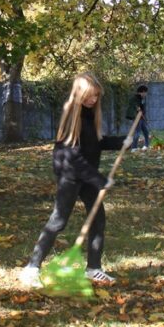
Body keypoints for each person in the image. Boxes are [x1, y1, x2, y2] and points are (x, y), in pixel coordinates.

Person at [19, 73, 128, 287]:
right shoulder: (72, 116)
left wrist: (122, 141)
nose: (93, 100)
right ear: (79, 94)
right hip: (70, 174)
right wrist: (99, 179)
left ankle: (94, 269)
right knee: (58, 220)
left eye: (96, 96)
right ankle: (31, 268)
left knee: (98, 220)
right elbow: (73, 157)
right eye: (89, 96)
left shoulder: (89, 114)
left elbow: (95, 142)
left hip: (87, 174)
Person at [126, 85, 150, 150]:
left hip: (142, 118)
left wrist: (145, 118)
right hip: (136, 118)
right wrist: (137, 107)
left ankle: (146, 146)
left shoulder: (142, 99)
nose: (146, 94)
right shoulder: (134, 98)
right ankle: (134, 147)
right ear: (142, 92)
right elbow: (133, 105)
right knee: (137, 133)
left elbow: (143, 109)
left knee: (146, 132)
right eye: (146, 92)